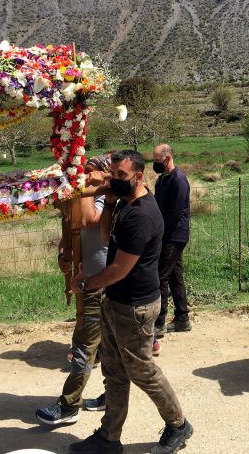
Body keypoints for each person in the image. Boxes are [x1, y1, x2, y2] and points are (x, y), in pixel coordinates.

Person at [69, 150, 192, 454]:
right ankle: (109, 438)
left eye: (121, 175)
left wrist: (85, 283)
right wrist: (110, 202)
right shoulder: (125, 202)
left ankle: (178, 425)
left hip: (135, 307)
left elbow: (119, 269)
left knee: (142, 371)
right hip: (116, 300)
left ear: (138, 176)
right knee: (113, 370)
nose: (114, 180)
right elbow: (105, 235)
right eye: (112, 174)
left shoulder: (142, 215)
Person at [35, 155, 112, 425]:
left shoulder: (107, 198)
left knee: (84, 345)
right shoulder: (78, 198)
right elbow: (68, 234)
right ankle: (112, 395)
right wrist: (63, 256)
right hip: (87, 280)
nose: (84, 177)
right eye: (82, 171)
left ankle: (69, 405)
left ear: (104, 174)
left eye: (90, 171)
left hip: (100, 282)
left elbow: (87, 219)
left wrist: (87, 188)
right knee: (104, 345)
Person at [152, 144, 192, 338]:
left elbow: (174, 214)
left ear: (167, 158)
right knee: (175, 276)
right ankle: (182, 318)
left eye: (157, 160)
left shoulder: (179, 180)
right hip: (166, 234)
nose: (154, 163)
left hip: (174, 235)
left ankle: (159, 322)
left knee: (161, 276)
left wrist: (160, 234)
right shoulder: (162, 180)